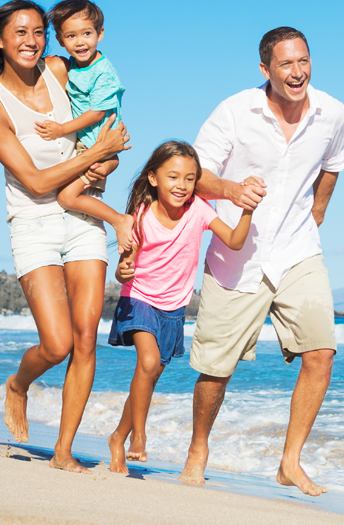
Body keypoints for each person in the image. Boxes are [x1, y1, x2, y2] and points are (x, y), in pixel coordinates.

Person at [0, 0, 130, 473]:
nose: (31, 41)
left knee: (86, 341)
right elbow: (37, 183)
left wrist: (107, 154)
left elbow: (107, 118)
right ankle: (18, 385)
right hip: (33, 221)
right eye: (20, 32)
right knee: (57, 343)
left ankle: (63, 451)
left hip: (82, 216)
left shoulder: (60, 71)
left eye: (39, 31)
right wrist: (97, 152)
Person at [176, 26, 344, 496]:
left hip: (297, 249)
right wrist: (232, 190)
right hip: (238, 252)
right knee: (217, 366)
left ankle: (290, 461)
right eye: (286, 64)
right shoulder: (234, 112)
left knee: (321, 353)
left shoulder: (332, 113)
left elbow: (334, 164)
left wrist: (316, 215)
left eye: (304, 61)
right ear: (265, 69)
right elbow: (194, 173)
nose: (298, 73)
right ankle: (198, 449)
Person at [107, 141, 255, 473]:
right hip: (140, 298)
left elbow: (233, 241)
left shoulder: (199, 210)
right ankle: (138, 438)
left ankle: (118, 436)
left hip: (173, 308)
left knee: (149, 376)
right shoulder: (141, 216)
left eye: (190, 179)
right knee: (147, 362)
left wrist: (248, 210)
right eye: (173, 176)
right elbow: (123, 266)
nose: (182, 185)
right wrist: (121, 271)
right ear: (154, 178)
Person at [35, 0, 132, 252]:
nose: (80, 42)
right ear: (60, 39)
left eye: (87, 33)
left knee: (67, 197)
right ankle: (110, 163)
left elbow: (96, 113)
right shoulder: (76, 66)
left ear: (100, 33)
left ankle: (119, 220)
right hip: (91, 145)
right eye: (71, 36)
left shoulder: (103, 72)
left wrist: (61, 129)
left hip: (97, 142)